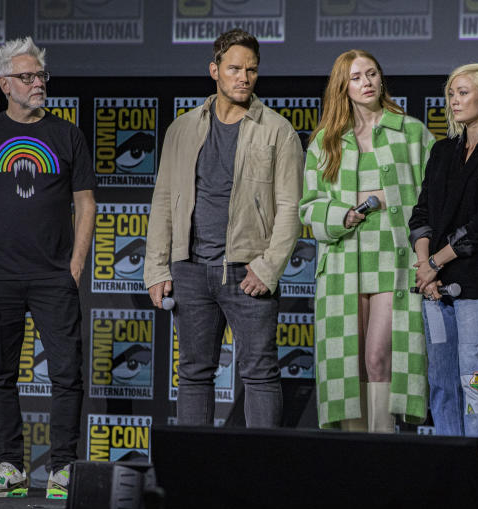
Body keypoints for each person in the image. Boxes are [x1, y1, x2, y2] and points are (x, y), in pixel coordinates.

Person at [0, 36, 94, 499]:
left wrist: (75, 264)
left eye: (41, 76)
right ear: (4, 84)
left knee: (67, 374)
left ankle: (62, 469)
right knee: (0, 375)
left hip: (54, 276)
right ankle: (10, 468)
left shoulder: (67, 134)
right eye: (27, 77)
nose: (38, 83)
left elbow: (86, 204)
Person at [145, 28, 302, 429]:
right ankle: (191, 480)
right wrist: (157, 268)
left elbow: (290, 208)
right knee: (194, 375)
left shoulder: (277, 130)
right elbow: (164, 200)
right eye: (234, 68)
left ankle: (260, 482)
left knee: (260, 374)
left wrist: (268, 268)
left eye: (251, 70)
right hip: (190, 271)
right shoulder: (181, 129)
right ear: (214, 70)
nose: (244, 77)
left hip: (247, 271)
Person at [300, 50, 434, 432]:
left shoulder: (411, 131)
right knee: (348, 364)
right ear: (343, 87)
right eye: (356, 77)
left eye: (372, 74)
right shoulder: (325, 142)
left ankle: (382, 453)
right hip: (343, 263)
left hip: (394, 260)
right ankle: (356, 460)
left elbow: (434, 197)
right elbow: (308, 206)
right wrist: (341, 214)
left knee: (379, 358)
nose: (367, 82)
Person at [408, 63, 478, 461]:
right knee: (440, 381)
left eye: (464, 92)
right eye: (451, 93)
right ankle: (447, 465)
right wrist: (425, 268)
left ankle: (476, 462)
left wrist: (434, 262)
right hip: (433, 290)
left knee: (475, 377)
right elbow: (421, 216)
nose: (454, 100)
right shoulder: (440, 151)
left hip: (475, 287)